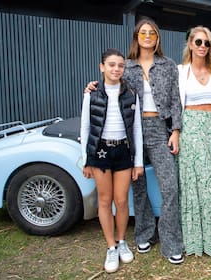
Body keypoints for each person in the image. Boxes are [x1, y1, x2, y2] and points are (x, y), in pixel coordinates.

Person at [85, 18, 184, 265]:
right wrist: (92, 87)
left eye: (152, 32)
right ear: (136, 36)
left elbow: (175, 100)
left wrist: (175, 130)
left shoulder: (168, 65)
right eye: (143, 32)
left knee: (169, 186)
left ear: (158, 37)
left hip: (159, 129)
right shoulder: (125, 67)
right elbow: (109, 86)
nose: (148, 36)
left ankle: (171, 242)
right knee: (138, 187)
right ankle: (144, 233)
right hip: (131, 131)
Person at [80, 48, 143, 273]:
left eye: (120, 65)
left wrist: (138, 162)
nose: (116, 69)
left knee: (122, 201)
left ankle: (122, 241)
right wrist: (86, 160)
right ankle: (110, 247)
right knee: (105, 201)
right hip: (101, 152)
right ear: (102, 67)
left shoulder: (131, 93)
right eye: (111, 65)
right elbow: (86, 127)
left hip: (123, 151)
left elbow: (136, 128)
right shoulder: (92, 93)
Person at [177, 26, 211, 257]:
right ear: (190, 44)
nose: (202, 47)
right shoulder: (181, 71)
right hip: (189, 130)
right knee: (192, 183)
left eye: (206, 43)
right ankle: (194, 240)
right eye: (198, 42)